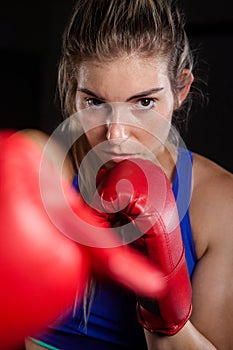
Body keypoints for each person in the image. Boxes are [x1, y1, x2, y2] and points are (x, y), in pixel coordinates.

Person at [24, 0, 233, 349]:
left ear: (180, 90)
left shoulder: (217, 206)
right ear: (72, 90)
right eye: (94, 102)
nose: (116, 135)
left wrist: (165, 310)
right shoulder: (40, 173)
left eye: (144, 103)